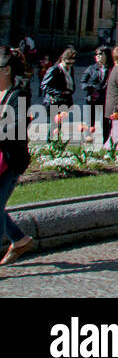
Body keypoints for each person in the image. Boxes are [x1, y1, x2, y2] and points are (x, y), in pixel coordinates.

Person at [0, 47, 35, 266]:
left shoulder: (18, 95)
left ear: (6, 70)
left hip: (10, 161)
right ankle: (20, 239)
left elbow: (17, 128)